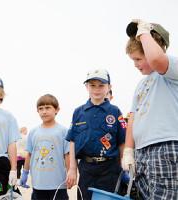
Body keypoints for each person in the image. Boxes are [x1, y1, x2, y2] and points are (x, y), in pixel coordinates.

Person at [122, 19, 178, 199]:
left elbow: (156, 59)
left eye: (138, 58)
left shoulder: (172, 69)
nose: (135, 64)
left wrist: (143, 32)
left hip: (165, 146)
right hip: (142, 151)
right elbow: (133, 117)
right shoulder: (141, 85)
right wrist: (129, 151)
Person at [66, 69, 126, 200]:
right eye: (92, 85)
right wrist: (72, 169)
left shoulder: (115, 111)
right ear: (87, 87)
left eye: (101, 85)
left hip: (110, 169)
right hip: (86, 169)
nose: (97, 89)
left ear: (109, 87)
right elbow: (72, 141)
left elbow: (122, 142)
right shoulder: (78, 112)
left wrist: (125, 166)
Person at [20, 94, 70, 200]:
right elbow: (29, 154)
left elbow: (67, 155)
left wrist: (70, 173)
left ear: (57, 110)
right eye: (40, 109)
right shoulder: (33, 132)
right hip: (38, 183)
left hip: (58, 184)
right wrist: (25, 172)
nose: (44, 111)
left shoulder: (63, 131)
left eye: (48, 108)